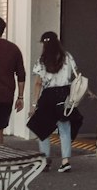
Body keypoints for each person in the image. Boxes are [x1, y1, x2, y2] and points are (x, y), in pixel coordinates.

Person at [27, 30, 83, 174]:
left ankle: (45, 161)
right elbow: (76, 76)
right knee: (65, 129)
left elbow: (38, 83)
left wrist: (34, 104)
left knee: (42, 128)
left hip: (48, 95)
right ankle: (65, 162)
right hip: (64, 94)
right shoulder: (67, 57)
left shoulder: (42, 60)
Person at [0, 18, 26, 147]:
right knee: (0, 131)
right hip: (5, 96)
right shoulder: (13, 49)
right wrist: (20, 97)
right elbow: (21, 74)